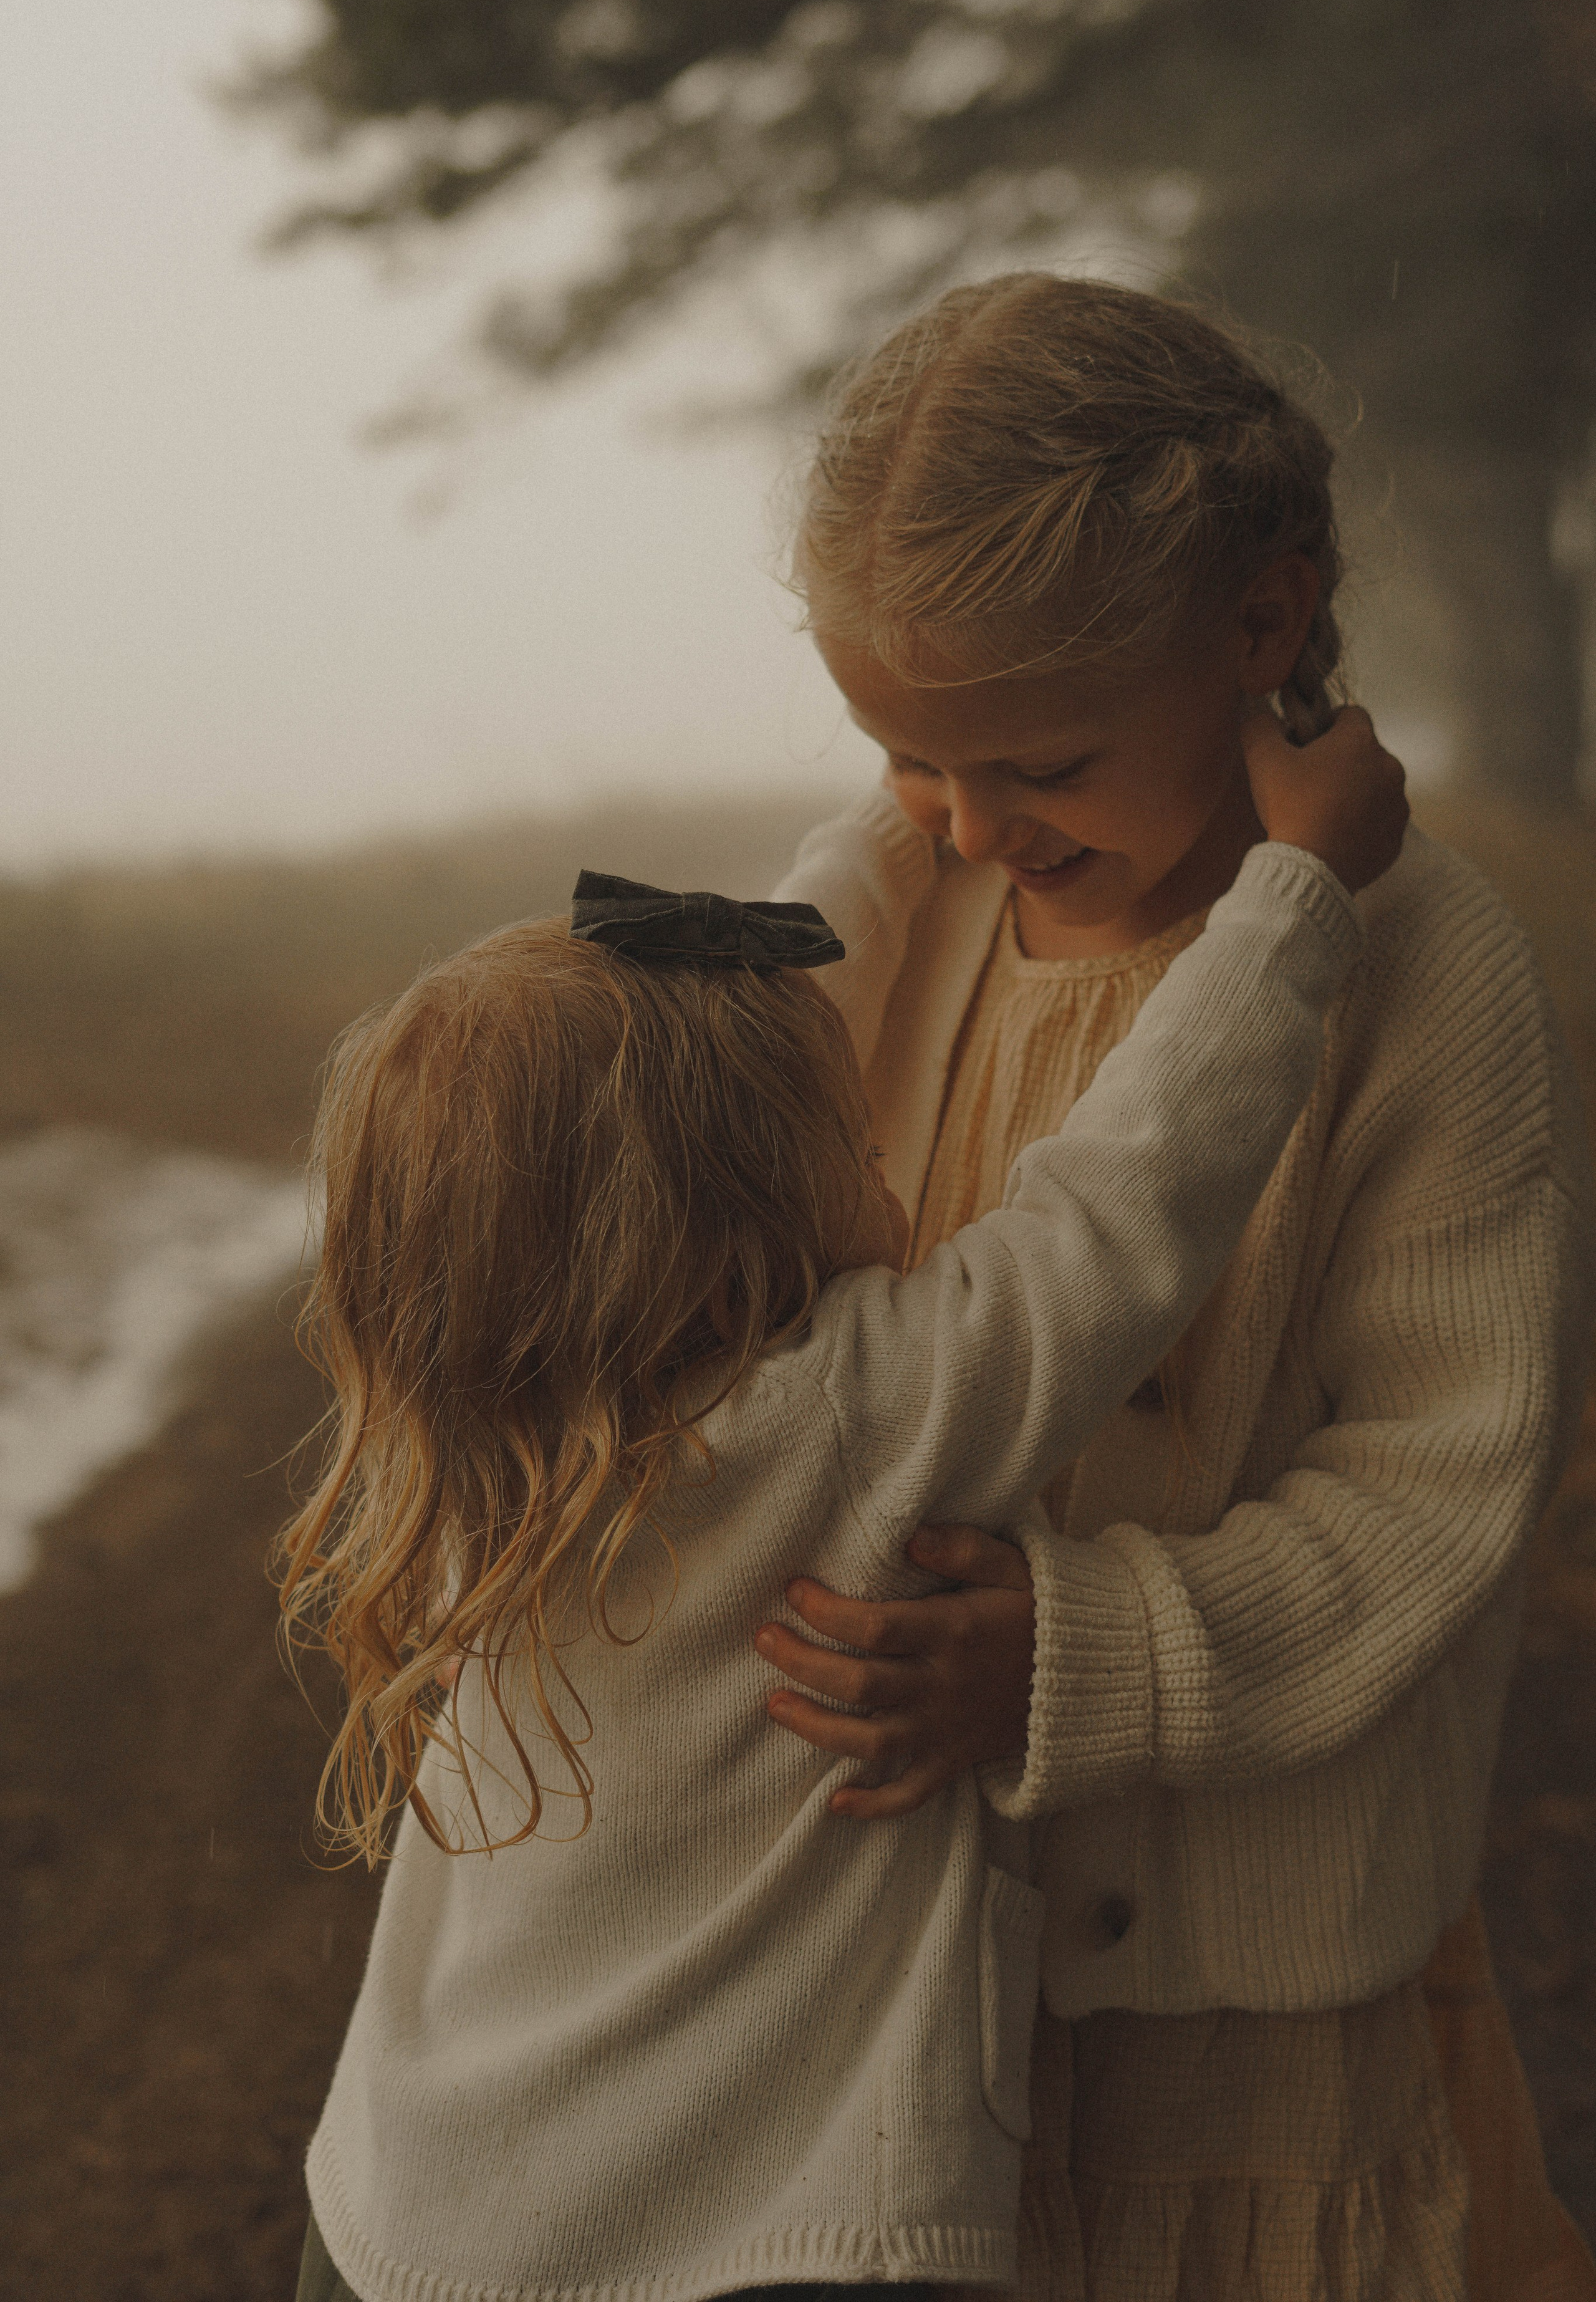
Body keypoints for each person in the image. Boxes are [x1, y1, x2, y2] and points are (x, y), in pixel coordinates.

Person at [285, 718, 1404, 2302]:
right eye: (843, 1138)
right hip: (762, 2241)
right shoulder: (843, 1414)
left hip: (403, 2213)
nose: (885, 1157)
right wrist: (1295, 892)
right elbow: (1125, 1200)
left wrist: (885, 835)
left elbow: (720, 1042)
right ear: (737, 1227)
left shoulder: (484, 1455)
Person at [757, 272, 1596, 2300]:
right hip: (926, 1982)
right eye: (902, 762)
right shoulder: (917, 912)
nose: (966, 825)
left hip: (1259, 2012)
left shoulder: (1422, 972)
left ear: (1261, 622)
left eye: (1032, 759)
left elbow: (1435, 1502)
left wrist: (1072, 1649)